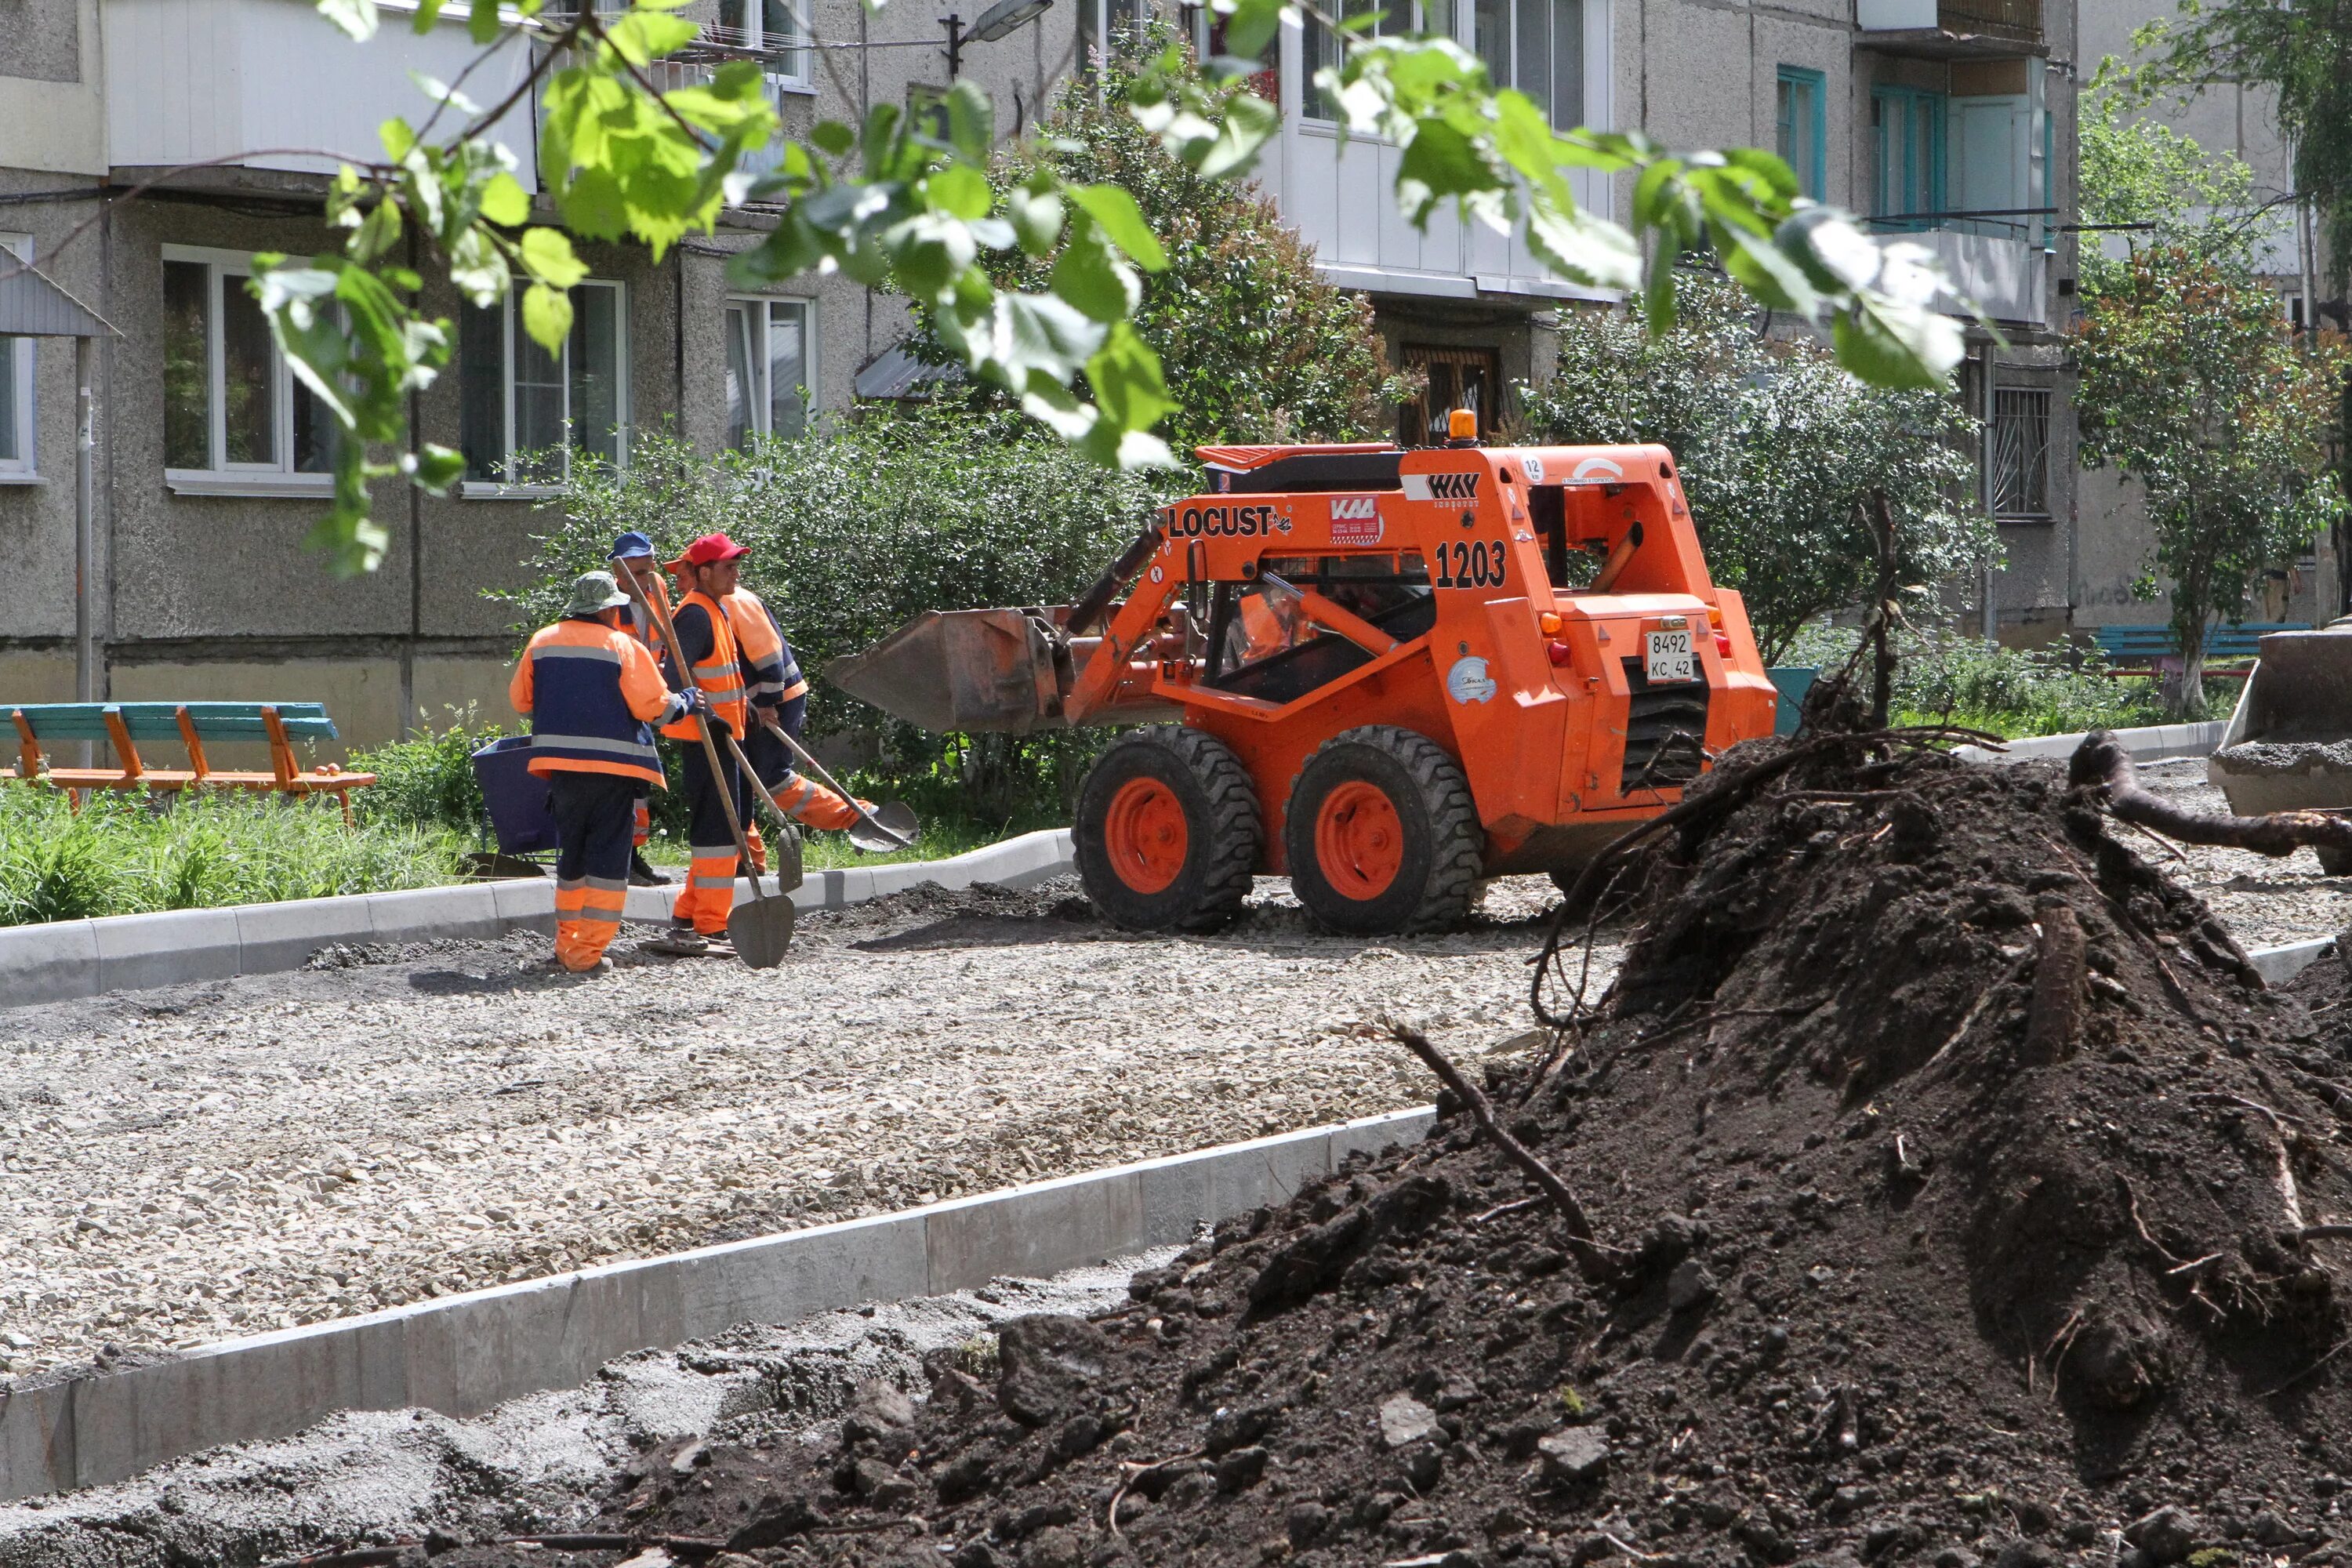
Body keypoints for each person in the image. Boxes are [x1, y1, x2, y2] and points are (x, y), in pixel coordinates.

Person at [508, 572, 703, 975]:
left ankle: (567, 946)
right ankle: (586, 953)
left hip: (561, 771)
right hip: (612, 772)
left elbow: (520, 701)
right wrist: (686, 701)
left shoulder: (542, 641)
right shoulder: (622, 645)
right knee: (608, 863)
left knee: (573, 859)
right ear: (608, 610)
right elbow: (654, 707)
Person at [607, 530, 671, 888]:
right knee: (622, 783)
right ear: (618, 573)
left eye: (646, 570)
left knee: (641, 781)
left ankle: (633, 855)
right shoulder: (608, 604)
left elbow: (664, 633)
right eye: (633, 573)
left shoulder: (657, 587)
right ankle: (622, 859)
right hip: (617, 705)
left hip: (646, 700)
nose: (641, 580)